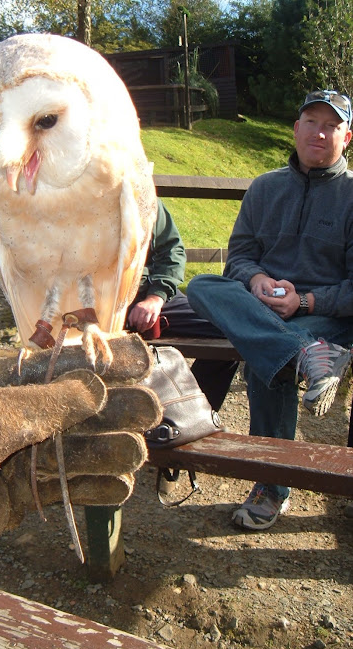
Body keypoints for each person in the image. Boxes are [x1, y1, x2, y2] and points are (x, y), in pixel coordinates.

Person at [187, 89, 353, 530]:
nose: (319, 132)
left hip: (326, 316)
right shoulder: (265, 187)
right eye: (311, 122)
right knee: (203, 285)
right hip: (264, 307)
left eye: (331, 125)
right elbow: (239, 257)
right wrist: (258, 281)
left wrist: (308, 300)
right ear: (295, 130)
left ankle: (270, 486)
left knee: (266, 364)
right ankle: (302, 356)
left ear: (347, 137)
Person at [127, 198, 239, 413]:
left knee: (229, 329)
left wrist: (156, 297)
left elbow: (171, 251)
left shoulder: (141, 194)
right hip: (86, 303)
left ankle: (194, 412)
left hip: (145, 292)